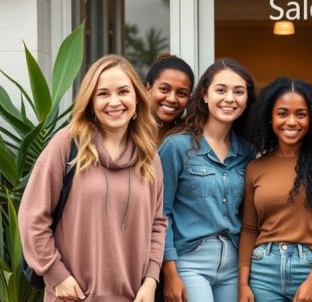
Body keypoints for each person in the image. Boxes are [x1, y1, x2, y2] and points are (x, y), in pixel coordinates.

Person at [19, 55, 167, 302]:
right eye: (103, 94)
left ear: (137, 99)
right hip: (73, 296)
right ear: (90, 101)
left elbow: (158, 223)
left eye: (123, 91)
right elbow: (32, 216)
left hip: (134, 296)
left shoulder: (149, 156)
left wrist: (151, 280)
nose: (114, 101)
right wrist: (56, 275)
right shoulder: (67, 145)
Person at [238, 77, 312, 302]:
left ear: (311, 118)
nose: (291, 122)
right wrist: (242, 283)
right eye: (282, 113)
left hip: (311, 266)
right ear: (270, 118)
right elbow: (249, 229)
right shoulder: (255, 167)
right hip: (262, 271)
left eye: (301, 114)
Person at [158, 59, 256, 302]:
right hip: (190, 262)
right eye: (221, 90)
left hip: (233, 263)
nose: (230, 98)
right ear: (204, 95)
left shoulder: (247, 151)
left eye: (239, 91)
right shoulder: (177, 146)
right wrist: (170, 273)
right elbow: (161, 213)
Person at [145, 53, 195, 144]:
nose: (172, 99)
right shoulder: (127, 132)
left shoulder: (192, 141)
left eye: (181, 93)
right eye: (164, 89)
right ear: (148, 89)